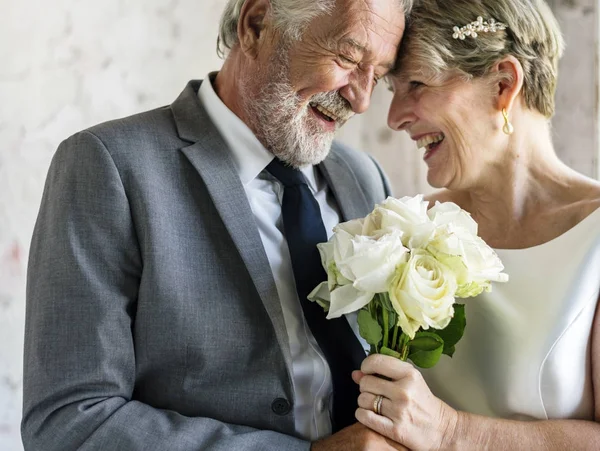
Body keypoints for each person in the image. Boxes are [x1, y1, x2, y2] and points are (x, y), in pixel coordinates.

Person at [21, 0, 412, 450]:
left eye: (377, 75)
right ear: (257, 23)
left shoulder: (364, 175)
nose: (361, 100)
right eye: (347, 58)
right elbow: (70, 420)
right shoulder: (109, 165)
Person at [352, 0, 600, 449]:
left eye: (416, 84)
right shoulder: (403, 228)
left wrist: (451, 432)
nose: (394, 117)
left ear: (503, 85)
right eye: (394, 89)